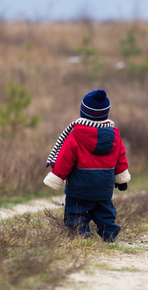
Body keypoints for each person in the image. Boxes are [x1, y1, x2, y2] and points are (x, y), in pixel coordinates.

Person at [43, 89, 131, 242]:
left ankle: (80, 232)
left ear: (83, 112)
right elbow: (121, 159)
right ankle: (109, 233)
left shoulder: (75, 135)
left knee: (75, 212)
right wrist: (122, 180)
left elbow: (64, 159)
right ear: (106, 113)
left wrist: (57, 177)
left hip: (79, 188)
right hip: (104, 188)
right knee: (105, 212)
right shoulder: (114, 136)